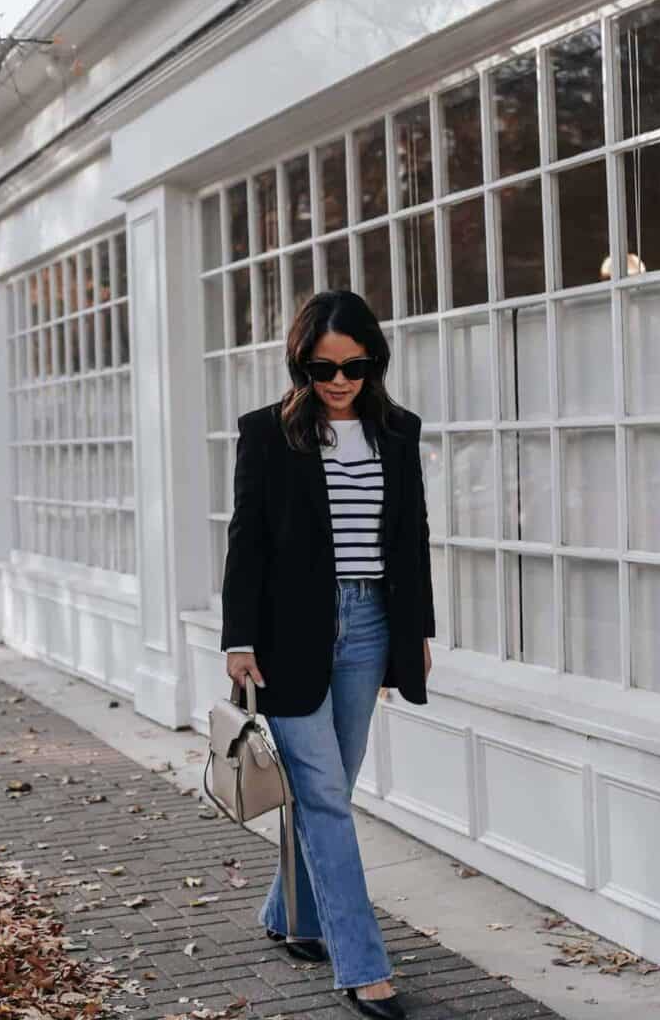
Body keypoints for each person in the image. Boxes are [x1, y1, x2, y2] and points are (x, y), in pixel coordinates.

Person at [221, 289, 435, 1019]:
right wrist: (238, 639)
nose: (341, 380)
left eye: (356, 365)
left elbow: (413, 540)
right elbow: (246, 540)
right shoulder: (266, 433)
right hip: (288, 636)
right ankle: (362, 963)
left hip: (373, 625)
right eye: (323, 367)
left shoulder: (398, 432)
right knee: (322, 797)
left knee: (330, 793)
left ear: (375, 362)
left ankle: (290, 915)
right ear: (300, 363)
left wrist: (417, 636)